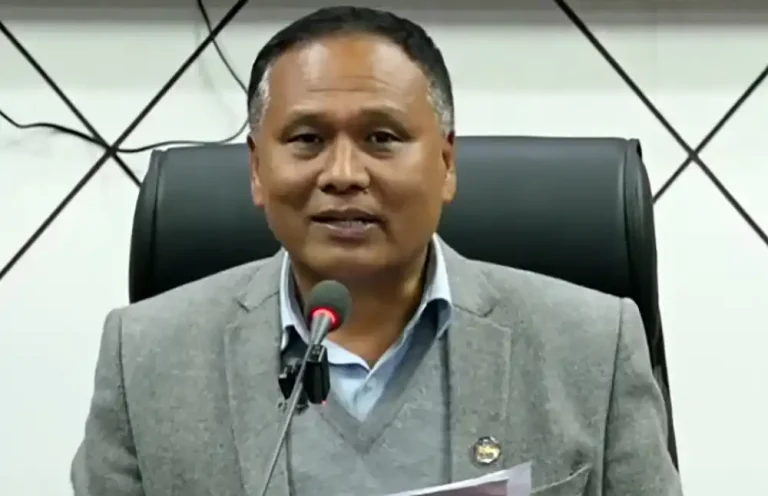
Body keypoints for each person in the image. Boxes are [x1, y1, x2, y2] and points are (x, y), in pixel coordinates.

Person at [71, 6, 682, 496]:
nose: (343, 174)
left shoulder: (592, 347)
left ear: (446, 163)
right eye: (307, 139)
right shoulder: (144, 355)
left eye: (381, 138)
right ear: (257, 170)